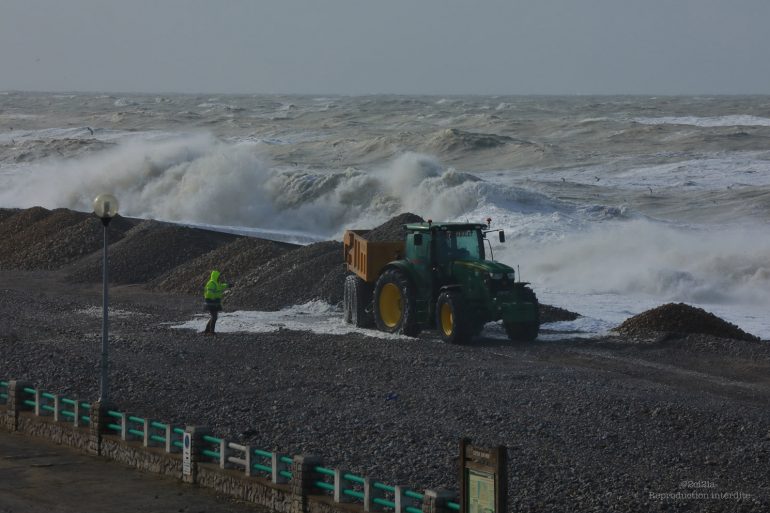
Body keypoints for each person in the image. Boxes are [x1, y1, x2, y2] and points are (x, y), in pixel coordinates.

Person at [203, 270, 228, 335]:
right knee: (214, 317)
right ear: (216, 276)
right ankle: (211, 331)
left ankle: (207, 330)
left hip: (214, 303)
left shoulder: (216, 283)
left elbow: (221, 286)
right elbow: (209, 293)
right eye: (219, 276)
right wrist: (214, 298)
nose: (220, 277)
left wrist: (228, 285)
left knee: (213, 316)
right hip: (211, 302)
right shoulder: (212, 283)